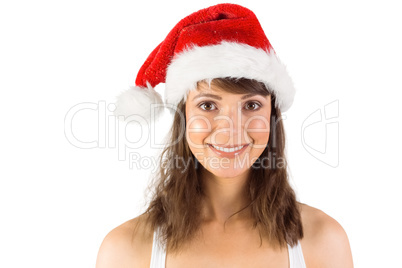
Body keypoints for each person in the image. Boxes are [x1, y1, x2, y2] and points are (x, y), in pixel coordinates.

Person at [96, 3, 353, 268]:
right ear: (183, 117)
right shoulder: (125, 251)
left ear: (271, 117)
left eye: (251, 105)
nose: (230, 129)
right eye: (208, 105)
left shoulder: (324, 241)